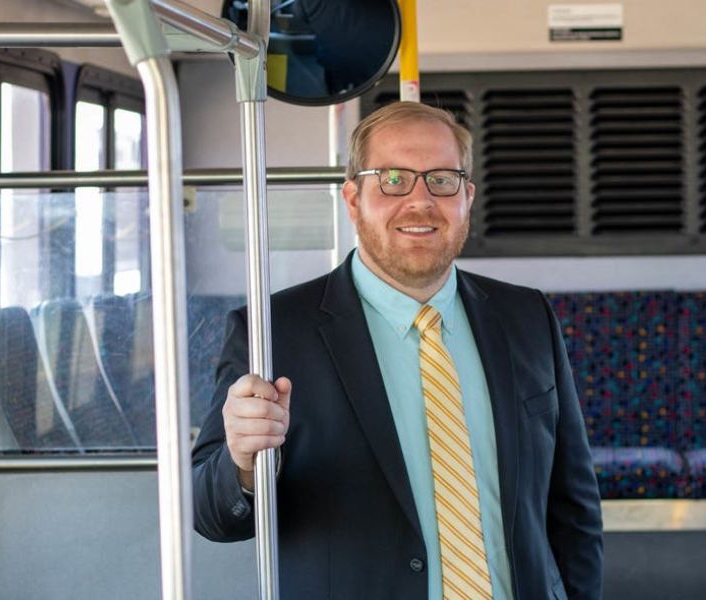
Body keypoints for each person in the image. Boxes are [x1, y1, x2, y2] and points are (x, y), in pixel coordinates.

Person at [192, 101, 603, 599]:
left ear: (467, 197)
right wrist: (241, 460)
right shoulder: (273, 331)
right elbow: (210, 515)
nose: (420, 201)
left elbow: (573, 505)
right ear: (352, 199)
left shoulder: (526, 317)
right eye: (392, 178)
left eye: (442, 180)